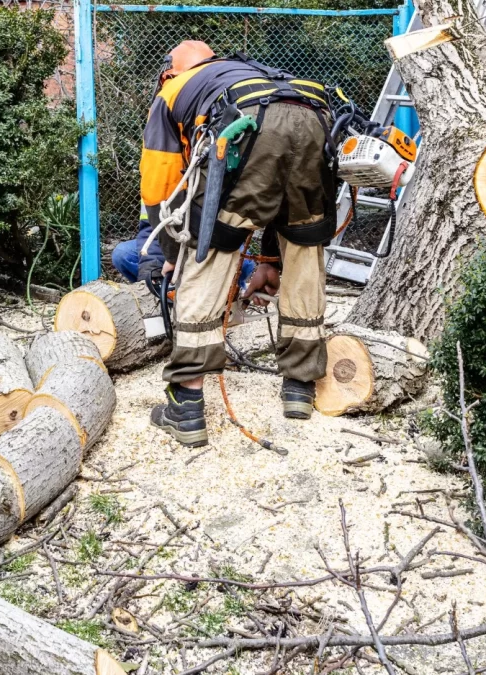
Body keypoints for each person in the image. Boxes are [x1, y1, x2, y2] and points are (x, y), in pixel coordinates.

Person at [140, 40, 338, 448]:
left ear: (170, 72)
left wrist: (175, 255)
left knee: (211, 251)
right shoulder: (248, 72)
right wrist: (270, 260)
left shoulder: (172, 91)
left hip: (247, 124)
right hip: (315, 116)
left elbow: (159, 185)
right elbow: (277, 198)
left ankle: (187, 404)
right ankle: (300, 387)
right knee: (304, 248)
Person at [111, 201, 254, 287]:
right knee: (122, 254)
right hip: (167, 244)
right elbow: (150, 228)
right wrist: (151, 270)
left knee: (244, 262)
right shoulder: (155, 175)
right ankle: (156, 293)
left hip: (210, 243)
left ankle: (229, 298)